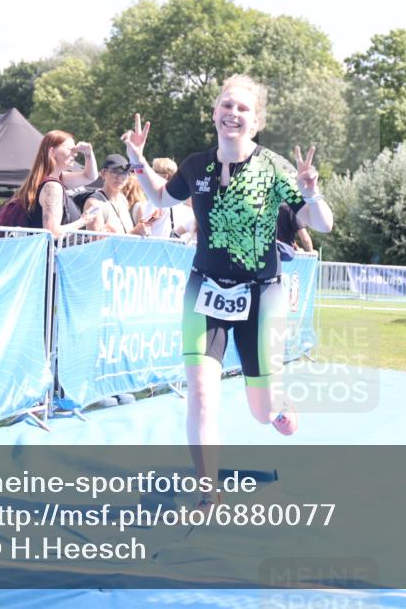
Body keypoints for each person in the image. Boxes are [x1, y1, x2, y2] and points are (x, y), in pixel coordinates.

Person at [120, 74, 333, 506]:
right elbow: (162, 199)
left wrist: (313, 195)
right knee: (200, 392)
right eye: (226, 105)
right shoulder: (197, 165)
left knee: (260, 411)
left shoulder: (274, 168)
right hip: (206, 290)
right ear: (215, 113)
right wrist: (137, 160)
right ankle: (207, 490)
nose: (233, 113)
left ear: (255, 122)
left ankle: (275, 406)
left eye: (242, 109)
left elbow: (322, 224)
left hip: (262, 296)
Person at [9, 130, 99, 239]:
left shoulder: (54, 179)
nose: (75, 154)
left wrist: (88, 153)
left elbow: (90, 176)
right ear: (52, 152)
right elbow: (52, 232)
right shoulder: (52, 186)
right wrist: (83, 221)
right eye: (71, 149)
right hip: (53, 254)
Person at [81, 154, 137, 234]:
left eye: (124, 173)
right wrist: (136, 232)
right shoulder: (95, 204)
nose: (120, 177)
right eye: (115, 172)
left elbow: (126, 233)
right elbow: (95, 242)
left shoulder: (123, 200)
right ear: (103, 173)